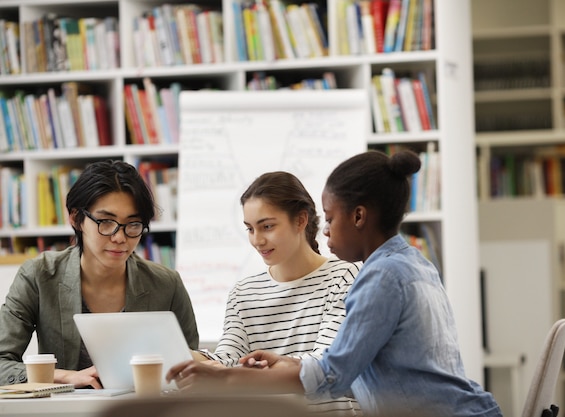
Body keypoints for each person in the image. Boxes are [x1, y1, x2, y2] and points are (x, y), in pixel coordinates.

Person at [166, 150, 502, 417]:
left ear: (358, 217)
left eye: (329, 218)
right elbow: (341, 364)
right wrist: (285, 363)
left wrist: (225, 378)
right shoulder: (413, 262)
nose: (323, 230)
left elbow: (332, 375)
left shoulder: (380, 278)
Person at [0, 160, 199, 388]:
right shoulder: (39, 276)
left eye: (133, 224)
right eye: (106, 222)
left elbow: (192, 369)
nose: (119, 237)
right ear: (76, 219)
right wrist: (64, 376)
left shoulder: (166, 284)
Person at [198, 171, 361, 415]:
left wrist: (241, 373)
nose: (257, 240)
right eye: (250, 229)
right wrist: (190, 357)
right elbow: (228, 358)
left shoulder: (344, 277)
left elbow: (325, 362)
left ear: (300, 220)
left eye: (267, 227)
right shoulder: (243, 293)